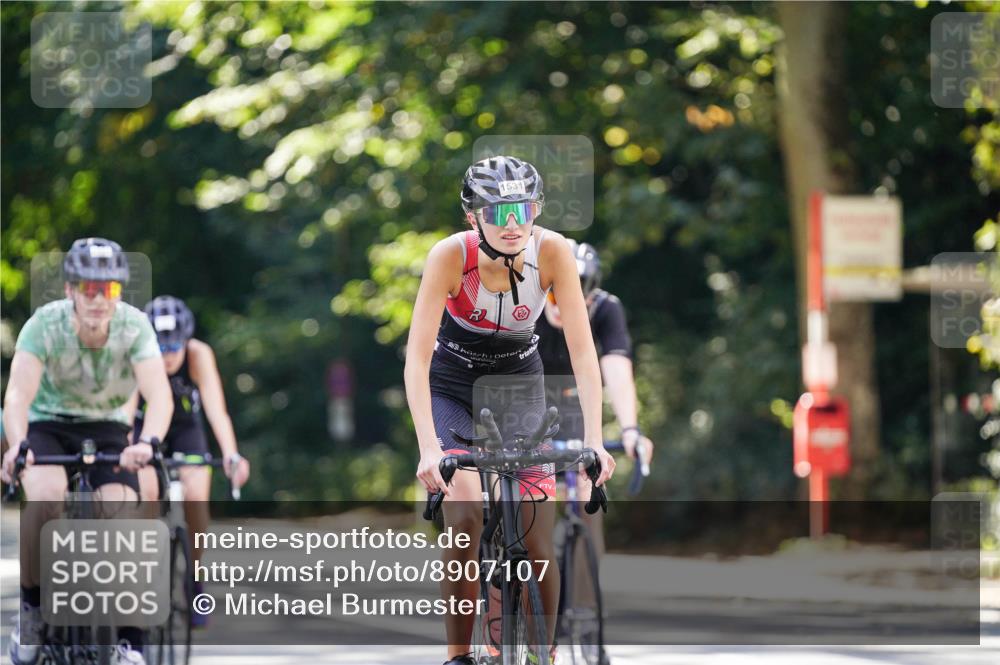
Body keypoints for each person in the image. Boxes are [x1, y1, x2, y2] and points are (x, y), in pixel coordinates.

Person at [405, 155, 616, 665]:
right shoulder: (449, 257)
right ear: (472, 216)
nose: (512, 222)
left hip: (519, 384)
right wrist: (429, 448)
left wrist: (595, 439)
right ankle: (458, 654)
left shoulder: (553, 252)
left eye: (523, 209)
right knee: (465, 514)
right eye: (497, 211)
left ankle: (541, 656)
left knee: (538, 536)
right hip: (451, 387)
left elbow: (586, 354)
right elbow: (415, 358)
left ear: (537, 209)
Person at [2, 238, 173, 665]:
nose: (98, 299)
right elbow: (18, 397)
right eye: (88, 288)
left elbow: (160, 397)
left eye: (109, 289)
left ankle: (130, 640)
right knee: (44, 498)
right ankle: (32, 609)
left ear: (119, 291)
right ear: (70, 290)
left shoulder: (135, 327)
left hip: (109, 427)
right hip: (48, 423)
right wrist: (19, 445)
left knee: (124, 515)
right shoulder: (44, 325)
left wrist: (147, 443)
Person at [536, 240, 655, 665]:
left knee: (588, 506)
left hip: (574, 414)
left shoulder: (606, 310)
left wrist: (629, 429)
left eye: (579, 296)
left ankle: (583, 612)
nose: (564, 305)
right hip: (523, 410)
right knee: (530, 507)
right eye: (555, 294)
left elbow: (617, 369)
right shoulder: (525, 309)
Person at [131, 295, 250, 627]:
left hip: (185, 428)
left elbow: (217, 410)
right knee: (146, 491)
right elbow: (125, 414)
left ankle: (195, 578)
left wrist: (231, 454)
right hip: (146, 428)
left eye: (174, 348)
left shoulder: (198, 355)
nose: (167, 356)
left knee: (197, 495)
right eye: (160, 348)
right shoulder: (135, 353)